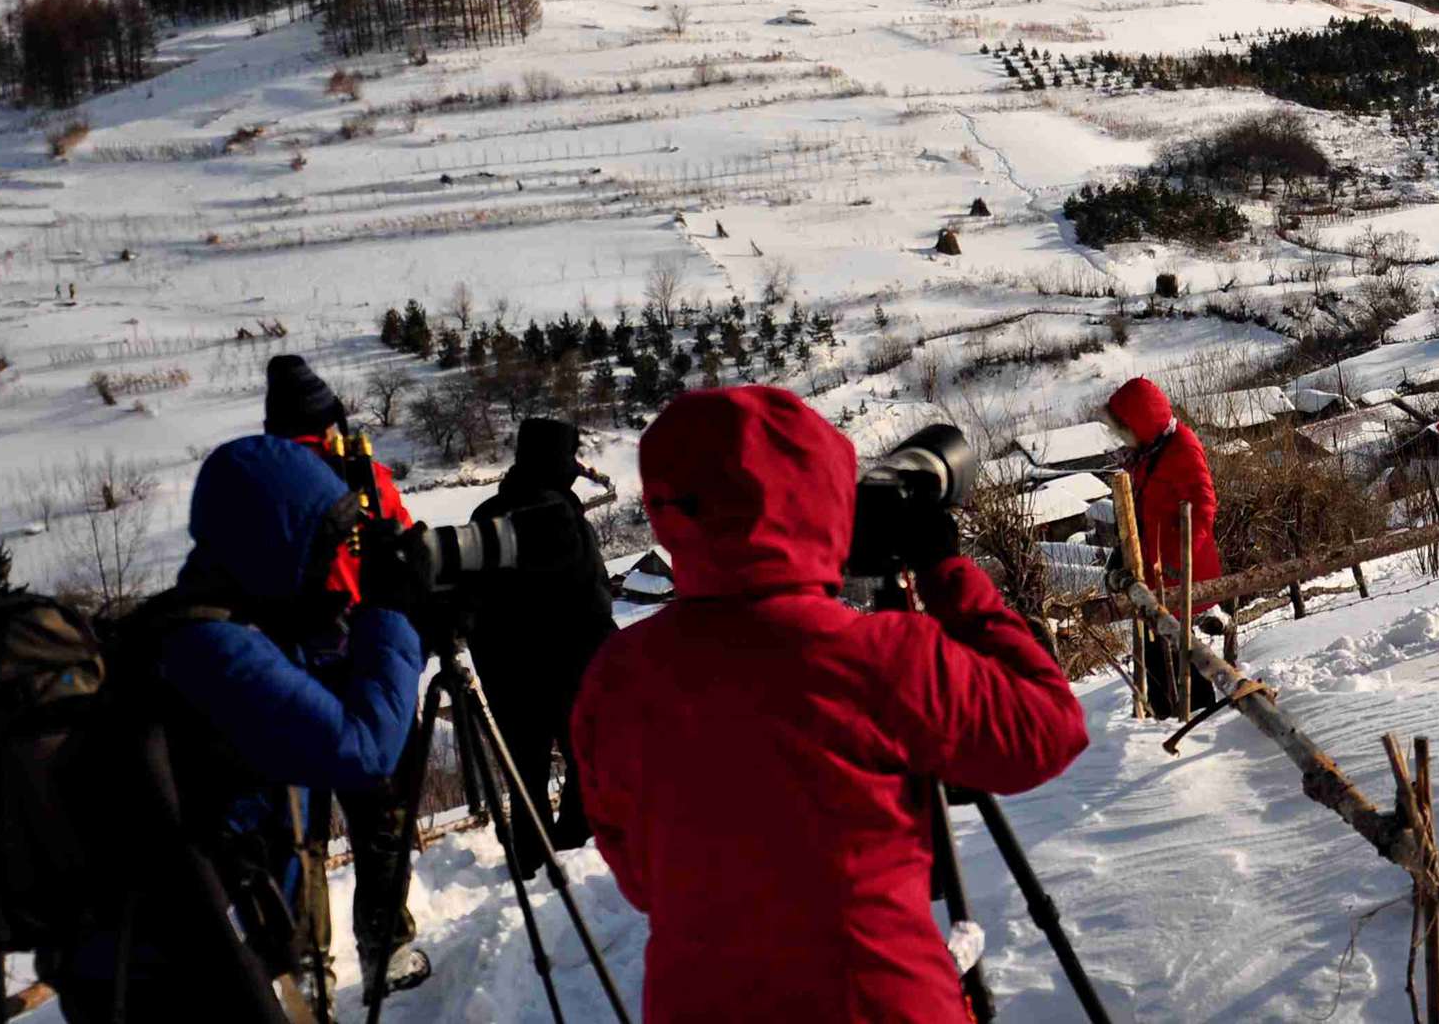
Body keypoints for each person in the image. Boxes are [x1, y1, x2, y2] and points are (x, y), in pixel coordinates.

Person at [572, 386, 1087, 1021]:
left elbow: (641, 878)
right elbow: (1048, 729)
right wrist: (947, 572)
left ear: (669, 508)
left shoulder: (616, 678)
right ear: (820, 497)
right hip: (874, 998)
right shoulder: (881, 658)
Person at [38, 435, 423, 1022]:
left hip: (202, 943)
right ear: (278, 542)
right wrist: (391, 615)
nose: (331, 561)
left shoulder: (217, 622)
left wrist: (395, 614)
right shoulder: (212, 648)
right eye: (325, 542)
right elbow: (361, 751)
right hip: (178, 972)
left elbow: (317, 679)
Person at [262, 353, 428, 994]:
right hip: (370, 667)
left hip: (287, 675)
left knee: (296, 829)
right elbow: (408, 559)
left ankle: (305, 969)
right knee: (380, 818)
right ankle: (387, 949)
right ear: (332, 420)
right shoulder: (370, 477)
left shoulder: (262, 488)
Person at [463, 416, 617, 849]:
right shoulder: (564, 516)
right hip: (571, 667)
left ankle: (532, 854)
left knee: (525, 770)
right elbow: (592, 599)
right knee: (585, 759)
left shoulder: (486, 516)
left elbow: (473, 599)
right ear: (559, 460)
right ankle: (571, 846)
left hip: (506, 671)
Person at [1104, 375, 1225, 718]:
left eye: (1123, 426)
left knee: (1176, 650)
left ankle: (1199, 719)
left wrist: (1175, 561)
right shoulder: (1149, 449)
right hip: (1154, 566)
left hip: (1174, 571)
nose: (1120, 435)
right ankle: (1167, 716)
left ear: (1141, 420)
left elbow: (1203, 509)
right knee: (1158, 651)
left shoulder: (1182, 448)